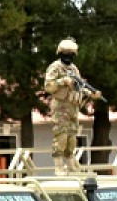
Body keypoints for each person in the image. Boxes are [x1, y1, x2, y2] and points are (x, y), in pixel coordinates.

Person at [44, 38, 102, 174]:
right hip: (60, 107)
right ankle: (58, 166)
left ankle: (71, 164)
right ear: (60, 53)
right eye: (66, 53)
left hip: (73, 108)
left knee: (72, 137)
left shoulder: (74, 69)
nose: (69, 56)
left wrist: (92, 94)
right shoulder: (55, 67)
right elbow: (48, 86)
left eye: (71, 53)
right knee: (61, 136)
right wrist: (64, 81)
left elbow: (79, 86)